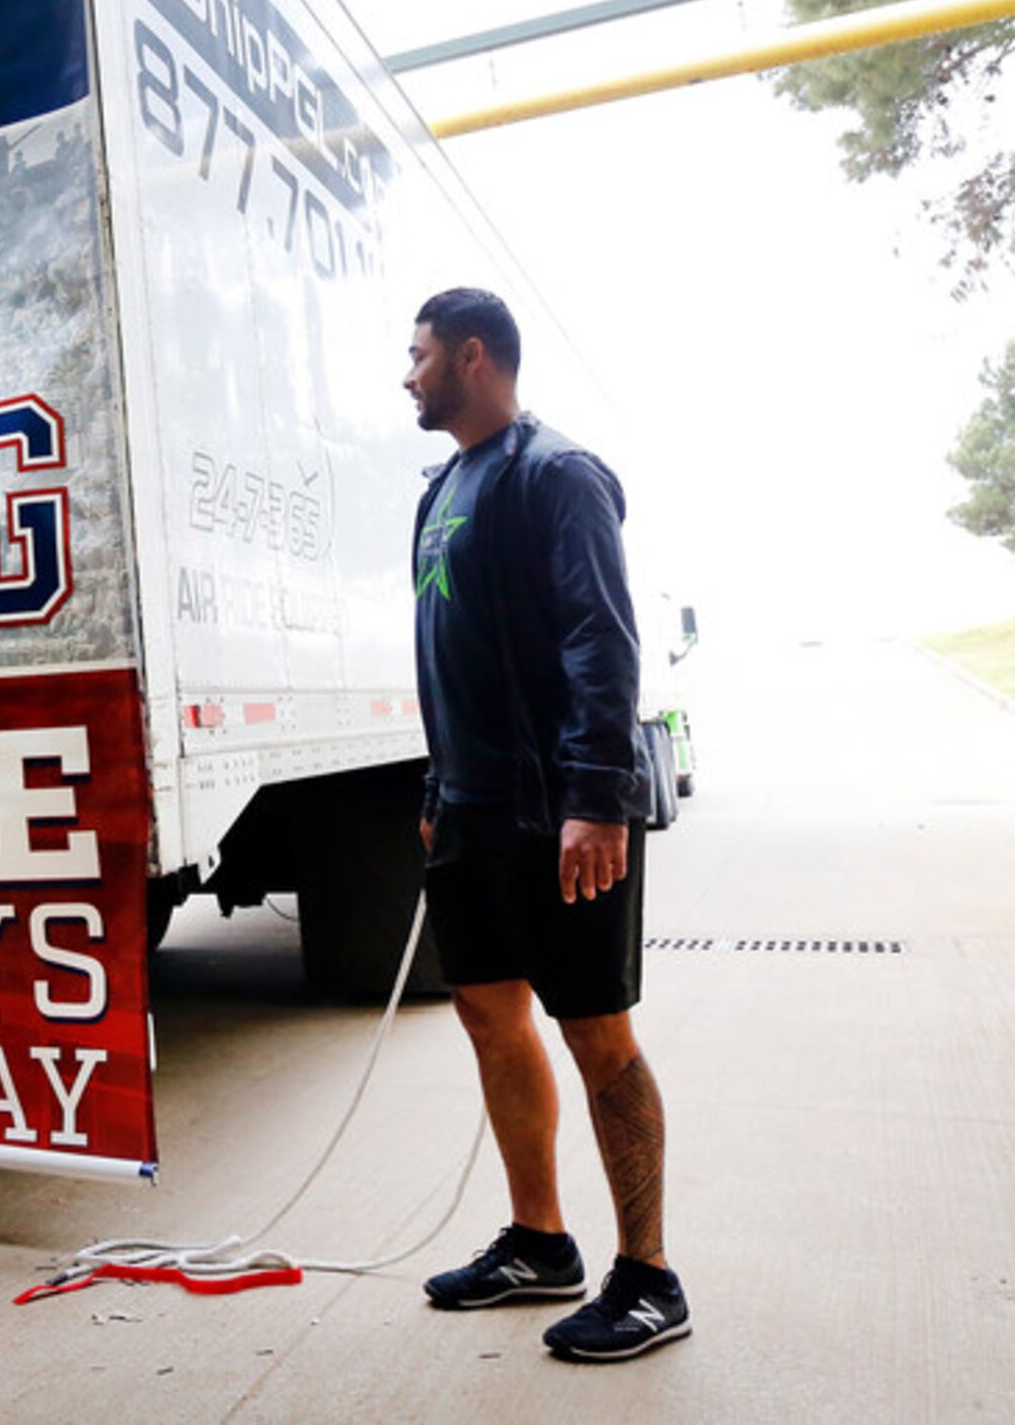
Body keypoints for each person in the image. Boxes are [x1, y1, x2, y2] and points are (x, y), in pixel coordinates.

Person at [403, 288, 688, 1362]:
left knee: (596, 1035)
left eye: (420, 354)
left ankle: (650, 1276)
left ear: (473, 358)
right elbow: (450, 659)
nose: (408, 373)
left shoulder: (555, 474)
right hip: (471, 813)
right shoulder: (443, 488)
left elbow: (599, 643)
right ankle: (539, 1243)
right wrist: (438, 794)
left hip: (554, 814)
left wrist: (593, 798)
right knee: (487, 1015)